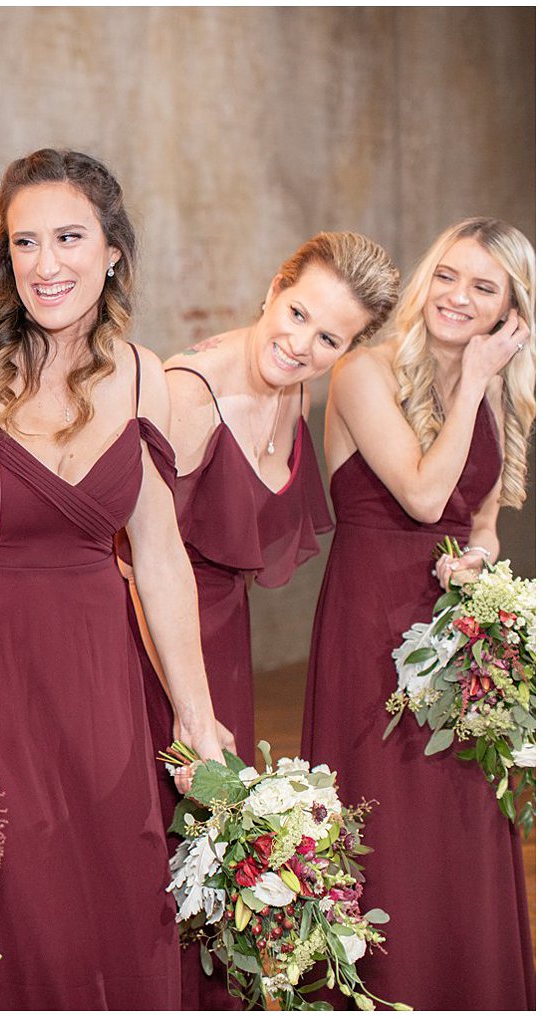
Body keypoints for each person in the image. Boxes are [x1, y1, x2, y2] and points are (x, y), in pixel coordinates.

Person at [0, 149, 227, 1010]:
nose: (45, 264)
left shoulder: (144, 376)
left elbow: (160, 557)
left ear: (113, 250)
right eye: (25, 243)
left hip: (98, 680)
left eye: (68, 238)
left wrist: (194, 716)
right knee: (12, 895)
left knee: (113, 887)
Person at [130, 231, 398, 1008]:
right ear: (274, 287)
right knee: (163, 842)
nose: (301, 344)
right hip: (158, 641)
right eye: (298, 312)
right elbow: (132, 558)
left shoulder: (295, 384)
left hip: (228, 644)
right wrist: (188, 702)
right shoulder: (188, 392)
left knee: (217, 853)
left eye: (329, 338)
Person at [300, 218, 535, 1009]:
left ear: (510, 312)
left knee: (461, 830)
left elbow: (478, 520)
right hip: (372, 624)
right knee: (388, 826)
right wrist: (474, 379)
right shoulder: (365, 371)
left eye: (484, 287)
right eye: (448, 275)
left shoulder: (500, 392)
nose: (458, 297)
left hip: (454, 639)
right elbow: (426, 494)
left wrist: (480, 571)